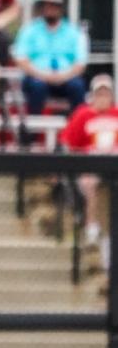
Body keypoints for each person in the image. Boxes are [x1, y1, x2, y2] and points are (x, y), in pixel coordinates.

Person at [58, 73, 116, 268]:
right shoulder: (83, 114)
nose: (103, 97)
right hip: (90, 165)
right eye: (99, 93)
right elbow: (68, 142)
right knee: (91, 183)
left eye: (106, 93)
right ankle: (91, 227)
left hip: (113, 167)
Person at [13, 0, 88, 116]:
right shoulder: (29, 30)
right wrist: (43, 74)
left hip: (66, 77)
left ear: (61, 8)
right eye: (47, 5)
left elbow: (80, 63)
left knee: (77, 86)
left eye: (54, 6)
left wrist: (63, 76)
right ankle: (33, 132)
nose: (50, 9)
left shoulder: (74, 32)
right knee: (37, 86)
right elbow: (21, 59)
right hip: (37, 76)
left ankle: (76, 127)